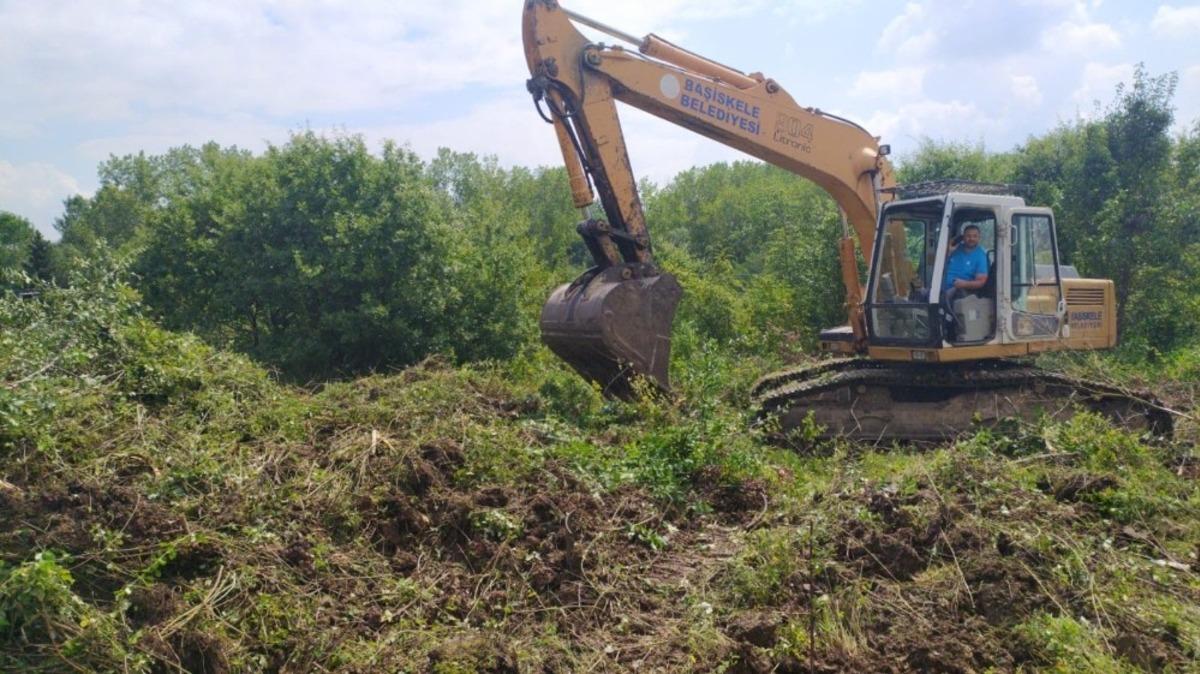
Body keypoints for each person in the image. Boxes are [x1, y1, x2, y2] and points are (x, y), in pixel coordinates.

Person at [941, 224, 988, 339]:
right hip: (940, 287)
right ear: (963, 237)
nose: (971, 239)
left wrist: (963, 284)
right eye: (968, 236)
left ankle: (947, 333)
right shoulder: (956, 249)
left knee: (942, 301)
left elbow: (981, 282)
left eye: (974, 236)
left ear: (979, 237)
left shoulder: (980, 256)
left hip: (961, 291)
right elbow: (939, 258)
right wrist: (949, 247)